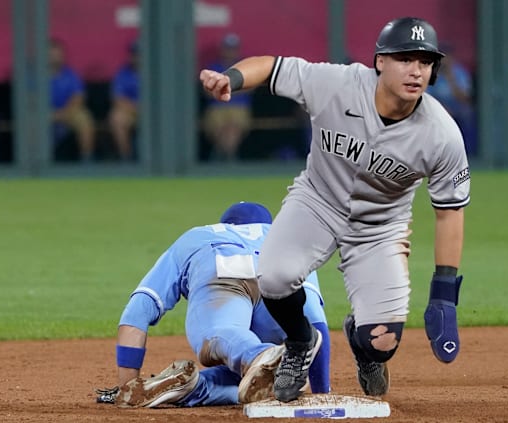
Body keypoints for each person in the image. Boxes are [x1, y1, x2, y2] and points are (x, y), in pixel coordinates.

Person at [200, 16, 470, 403]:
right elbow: (271, 66)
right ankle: (299, 342)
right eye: (404, 59)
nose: (416, 70)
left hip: (380, 227)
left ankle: (363, 346)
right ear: (380, 61)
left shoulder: (441, 134)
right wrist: (232, 78)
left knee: (382, 341)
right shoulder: (338, 84)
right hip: (317, 202)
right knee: (274, 278)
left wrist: (444, 293)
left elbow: (450, 212)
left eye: (425, 62)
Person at [96, 202, 330, 408]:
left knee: (223, 334)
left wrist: (127, 387)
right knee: (282, 379)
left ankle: (255, 356)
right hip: (274, 280)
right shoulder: (285, 238)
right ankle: (203, 385)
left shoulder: (198, 236)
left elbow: (138, 311)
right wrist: (322, 394)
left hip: (221, 272)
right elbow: (316, 325)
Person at [202, 33, 253, 161]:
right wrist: (236, 89)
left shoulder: (244, 66)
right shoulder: (213, 67)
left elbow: (251, 87)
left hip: (239, 108)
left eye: (233, 49)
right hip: (217, 108)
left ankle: (220, 157)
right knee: (221, 129)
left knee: (232, 129)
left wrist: (221, 89)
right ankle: (229, 157)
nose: (230, 52)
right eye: (227, 48)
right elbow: (207, 91)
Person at [48, 38, 96, 162]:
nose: (55, 57)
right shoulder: (35, 75)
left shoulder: (71, 75)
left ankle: (87, 158)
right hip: (45, 113)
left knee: (85, 119)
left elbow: (78, 98)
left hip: (68, 112)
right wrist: (50, 114)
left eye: (58, 54)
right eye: (52, 54)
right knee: (30, 120)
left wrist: (63, 113)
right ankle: (33, 162)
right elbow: (30, 99)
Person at [427, 43, 477, 156]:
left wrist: (450, 77)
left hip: (457, 107)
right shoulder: (430, 72)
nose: (444, 60)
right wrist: (441, 109)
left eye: (447, 57)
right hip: (437, 108)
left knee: (467, 113)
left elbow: (465, 98)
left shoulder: (460, 72)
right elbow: (425, 98)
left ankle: (469, 152)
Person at [108, 40, 139, 161]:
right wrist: (135, 108)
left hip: (155, 112)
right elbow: (117, 99)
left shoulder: (157, 72)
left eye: (141, 54)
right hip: (130, 111)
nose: (138, 58)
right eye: (135, 54)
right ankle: (126, 157)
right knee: (117, 118)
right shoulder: (123, 73)